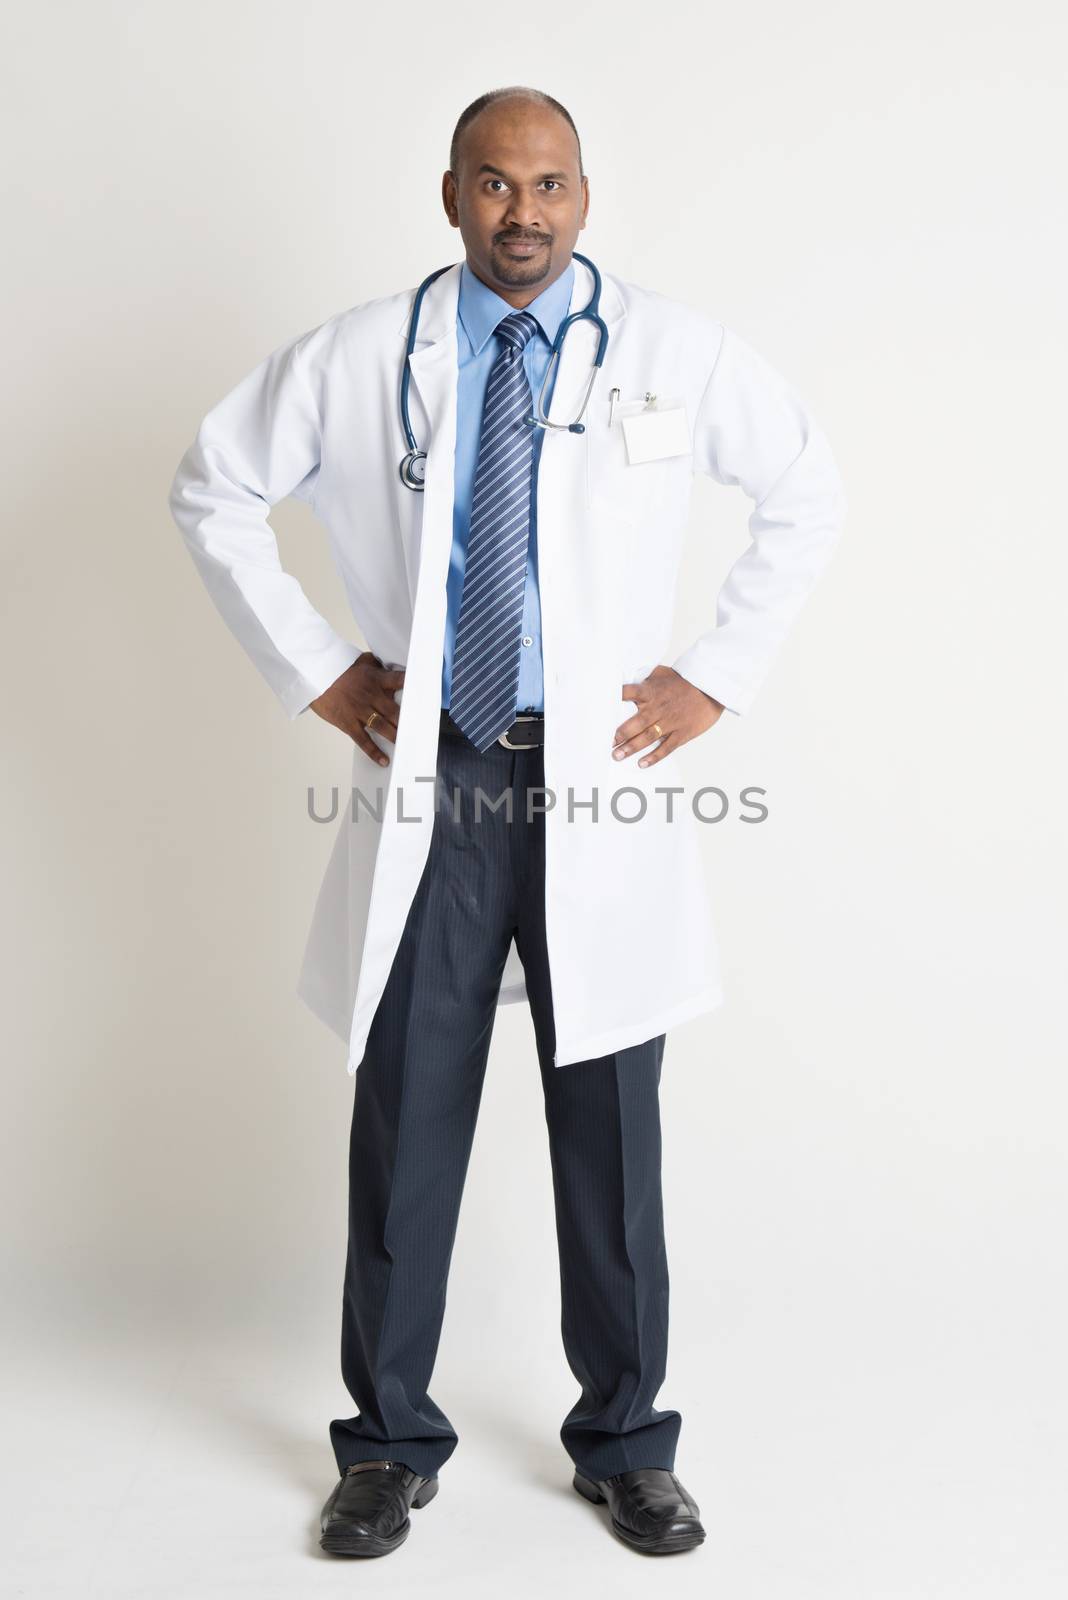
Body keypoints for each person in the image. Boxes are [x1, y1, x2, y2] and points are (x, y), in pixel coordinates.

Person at [168, 85, 845, 1559]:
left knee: (609, 1123)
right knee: (408, 1111)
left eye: (547, 185)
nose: (520, 213)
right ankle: (388, 1444)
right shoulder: (363, 359)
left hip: (598, 774)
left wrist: (713, 678)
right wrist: (326, 672)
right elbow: (212, 486)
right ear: (450, 194)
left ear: (585, 198)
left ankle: (627, 1444)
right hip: (443, 776)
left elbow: (805, 486)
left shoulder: (667, 350)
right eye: (492, 184)